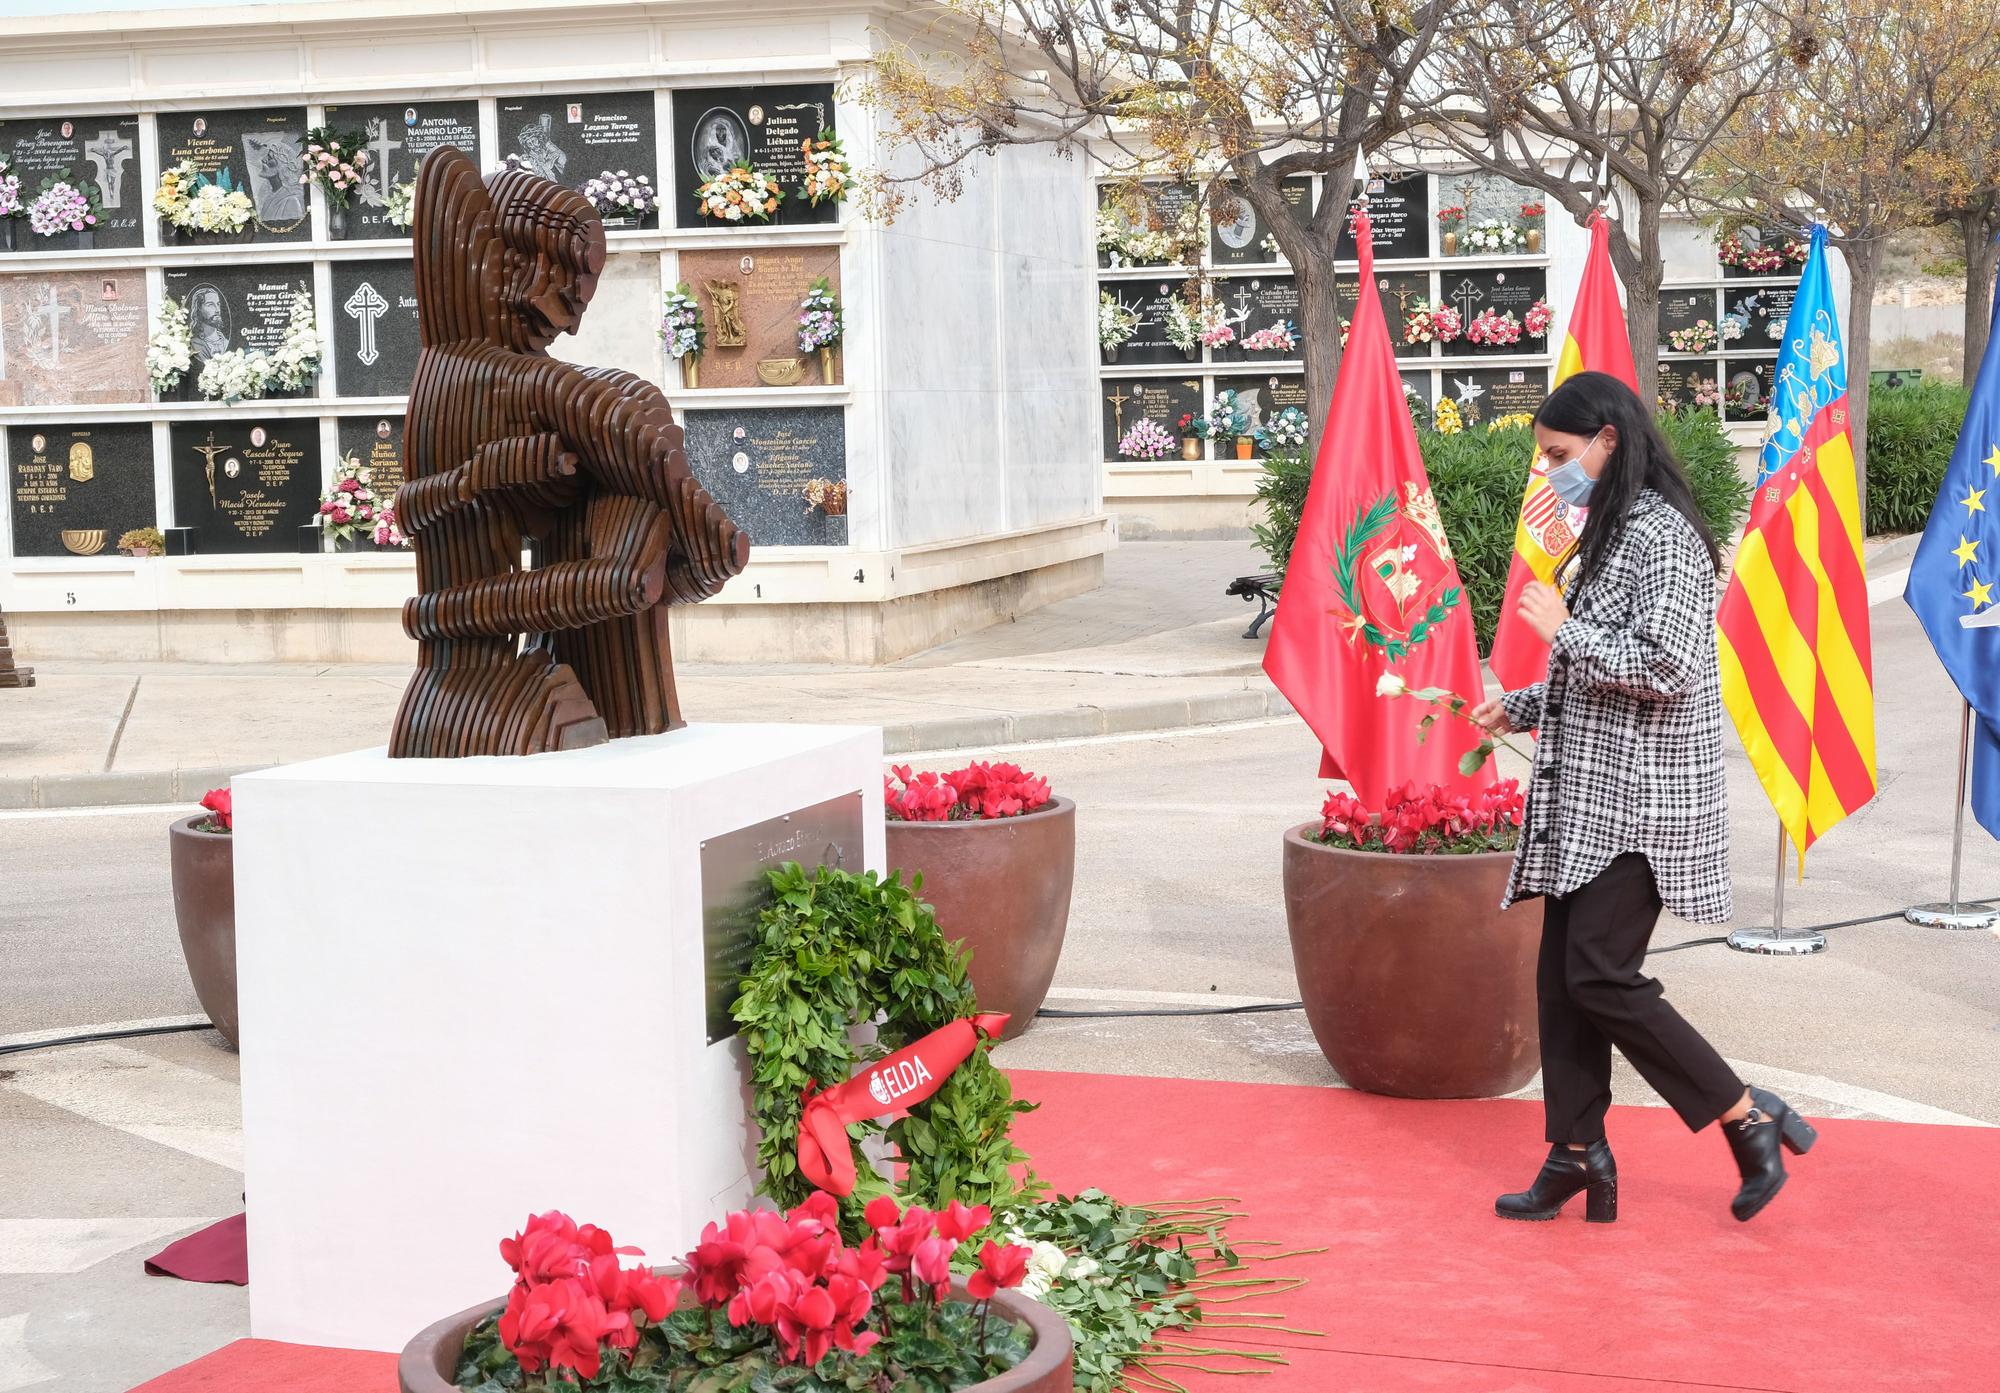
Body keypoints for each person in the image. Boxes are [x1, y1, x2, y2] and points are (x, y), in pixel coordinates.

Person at [1469, 370, 1818, 1225]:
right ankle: (1577, 1152)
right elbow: (1596, 672)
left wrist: (1563, 628)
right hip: (1590, 802)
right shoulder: (1614, 528)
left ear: (1607, 441)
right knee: (1561, 978)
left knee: (1598, 974)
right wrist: (1511, 704)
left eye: (1558, 453)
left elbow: (1665, 665)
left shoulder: (1664, 536)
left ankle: (1745, 1112)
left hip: (1646, 806)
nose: (1551, 470)